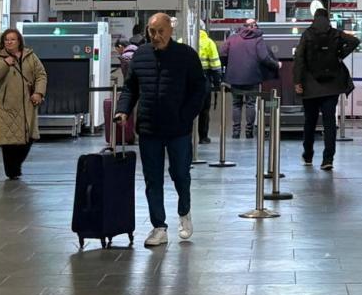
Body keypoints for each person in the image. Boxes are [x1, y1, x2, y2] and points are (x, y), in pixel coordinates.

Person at [116, 13, 207, 247]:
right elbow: (130, 88)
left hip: (178, 129)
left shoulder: (186, 56)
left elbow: (199, 90)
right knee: (152, 179)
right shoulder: (140, 56)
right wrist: (122, 110)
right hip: (149, 129)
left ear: (170, 31)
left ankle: (184, 212)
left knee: (180, 174)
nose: (156, 37)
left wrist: (186, 116)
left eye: (160, 32)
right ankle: (159, 226)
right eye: (152, 32)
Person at [293, 3, 360, 170]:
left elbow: (299, 59)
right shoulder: (336, 34)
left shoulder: (307, 35)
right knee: (330, 122)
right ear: (328, 19)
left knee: (310, 121)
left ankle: (308, 155)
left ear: (314, 19)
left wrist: (297, 82)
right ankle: (328, 159)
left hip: (310, 86)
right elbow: (354, 40)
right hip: (332, 86)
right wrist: (340, 55)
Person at [0, 29, 47, 180]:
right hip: (7, 106)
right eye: (6, 40)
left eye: (12, 39)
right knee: (9, 141)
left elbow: (41, 75)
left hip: (28, 104)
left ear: (19, 41)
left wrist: (39, 92)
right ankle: (12, 170)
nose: (9, 42)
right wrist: (5, 64)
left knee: (29, 137)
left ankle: (15, 166)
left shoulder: (30, 57)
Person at [220, 19, 279, 139]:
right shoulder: (258, 39)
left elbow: (222, 52)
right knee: (250, 104)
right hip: (252, 76)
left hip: (235, 76)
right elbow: (264, 57)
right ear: (254, 26)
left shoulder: (233, 38)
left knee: (236, 104)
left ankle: (236, 132)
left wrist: (228, 65)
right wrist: (276, 64)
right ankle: (249, 131)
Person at [197, 25, 222, 144]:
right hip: (204, 78)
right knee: (204, 110)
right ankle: (203, 137)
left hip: (186, 79)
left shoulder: (182, 40)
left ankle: (186, 136)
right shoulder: (208, 42)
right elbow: (215, 64)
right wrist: (217, 82)